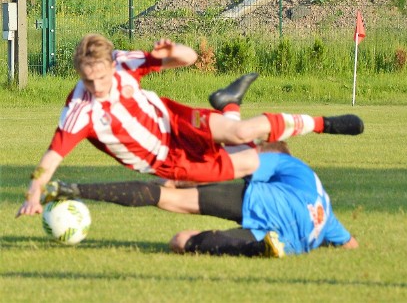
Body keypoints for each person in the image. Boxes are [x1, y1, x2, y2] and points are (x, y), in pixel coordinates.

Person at [17, 34, 364, 217]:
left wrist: (174, 49)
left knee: (241, 134)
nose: (96, 87)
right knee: (246, 161)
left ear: (110, 64)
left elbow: (190, 59)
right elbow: (50, 160)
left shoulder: (124, 63)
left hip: (176, 120)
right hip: (168, 160)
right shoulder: (80, 110)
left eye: (101, 78)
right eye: (88, 81)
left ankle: (323, 123)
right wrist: (34, 194)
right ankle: (229, 103)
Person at [40, 142, 359, 258]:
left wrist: (178, 177)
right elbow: (350, 245)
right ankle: (260, 248)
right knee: (182, 241)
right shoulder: (325, 210)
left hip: (260, 203)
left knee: (167, 206)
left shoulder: (285, 163)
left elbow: (225, 169)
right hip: (289, 239)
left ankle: (75, 189)